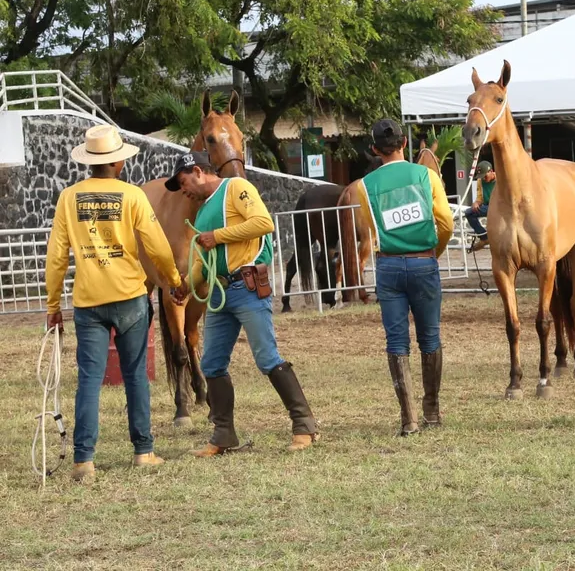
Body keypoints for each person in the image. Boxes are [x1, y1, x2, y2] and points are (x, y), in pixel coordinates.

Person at [45, 124, 189, 484]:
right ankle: (143, 451)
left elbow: (57, 256)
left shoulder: (68, 198)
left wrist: (52, 305)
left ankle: (84, 461)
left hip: (88, 302)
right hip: (129, 297)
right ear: (118, 164)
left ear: (89, 163)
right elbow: (156, 245)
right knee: (135, 376)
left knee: (89, 381)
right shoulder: (132, 196)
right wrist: (173, 281)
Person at [164, 152, 319, 456]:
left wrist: (218, 236)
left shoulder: (235, 188)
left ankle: (305, 425)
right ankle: (223, 436)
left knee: (267, 357)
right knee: (211, 364)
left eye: (184, 183)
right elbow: (204, 259)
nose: (184, 191)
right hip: (220, 292)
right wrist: (186, 286)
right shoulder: (203, 209)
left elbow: (263, 223)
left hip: (247, 286)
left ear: (198, 171)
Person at [357, 119, 453, 436]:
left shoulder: (364, 186)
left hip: (388, 268)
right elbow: (446, 223)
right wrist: (431, 253)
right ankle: (433, 411)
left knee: (396, 341)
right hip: (424, 263)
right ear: (404, 144)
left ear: (374, 149)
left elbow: (369, 231)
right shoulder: (426, 176)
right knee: (430, 337)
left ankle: (409, 418)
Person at [465, 160, 495, 252]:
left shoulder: (501, 179)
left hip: (500, 207)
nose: (483, 178)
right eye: (481, 177)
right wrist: (476, 203)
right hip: (487, 206)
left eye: (485, 176)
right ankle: (484, 237)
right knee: (469, 213)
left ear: (491, 171)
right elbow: (480, 198)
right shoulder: (480, 181)